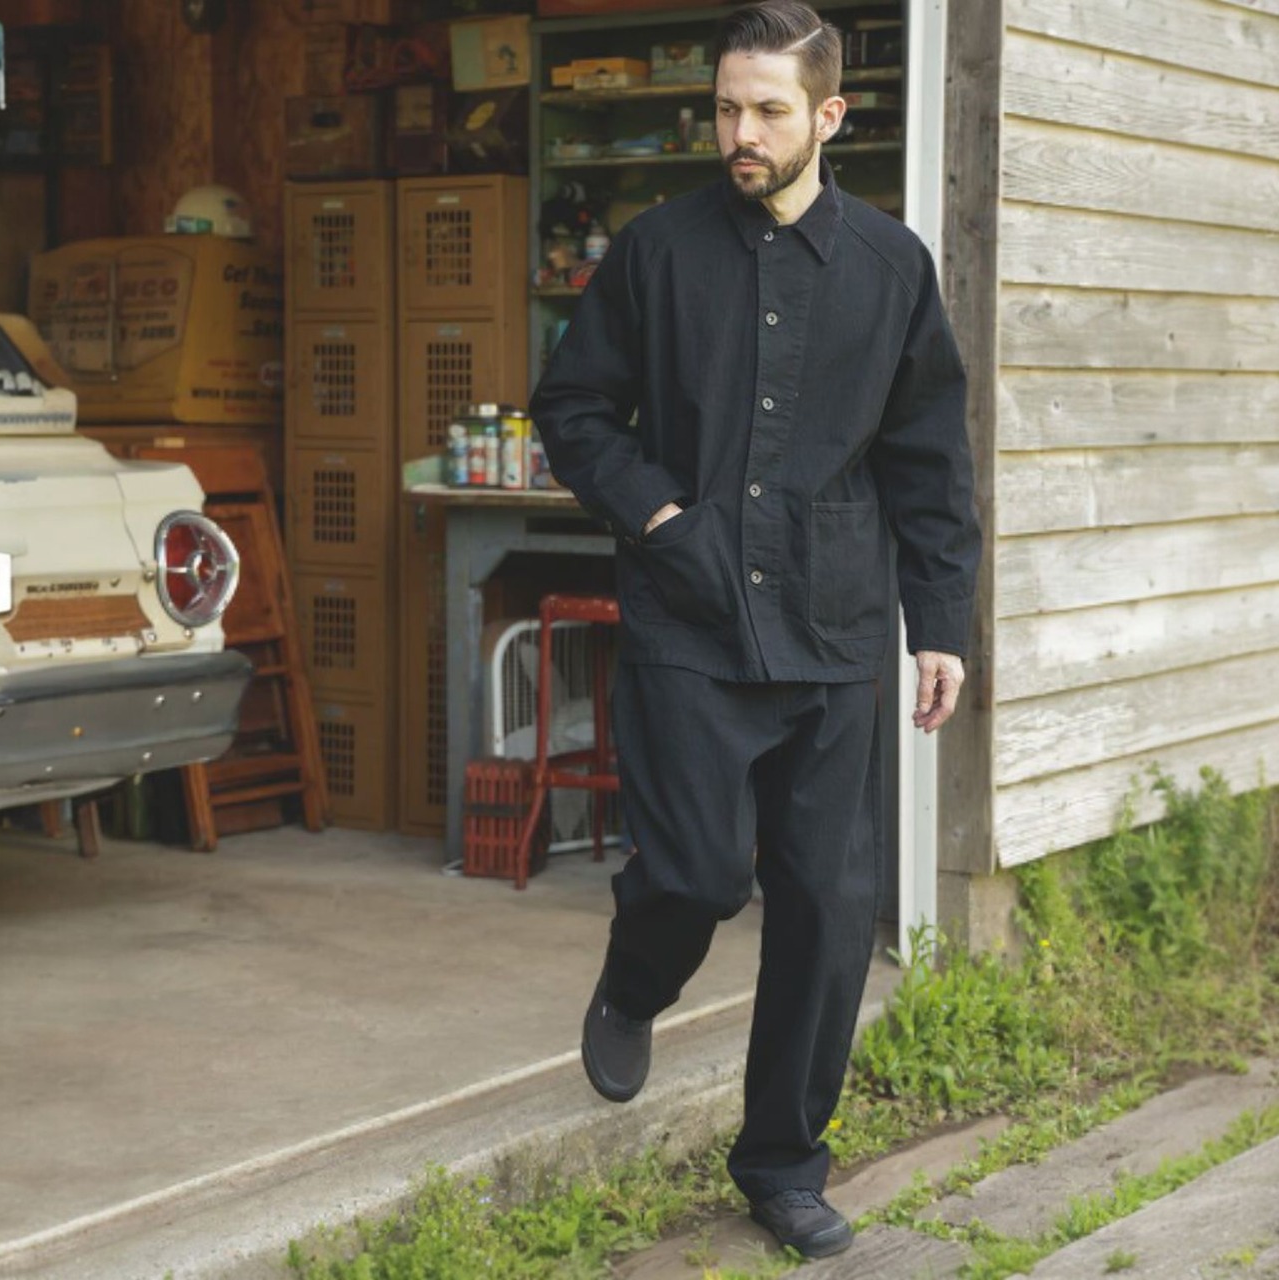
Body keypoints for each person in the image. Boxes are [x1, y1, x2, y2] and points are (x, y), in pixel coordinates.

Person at [529, 0, 981, 1260]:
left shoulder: (890, 267)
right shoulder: (656, 250)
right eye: (726, 108)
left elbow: (928, 459)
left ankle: (781, 1164)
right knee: (694, 874)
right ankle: (634, 981)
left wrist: (939, 623)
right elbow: (572, 407)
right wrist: (657, 511)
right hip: (689, 615)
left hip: (834, 627)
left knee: (828, 910)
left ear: (828, 114)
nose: (740, 132)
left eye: (768, 110)